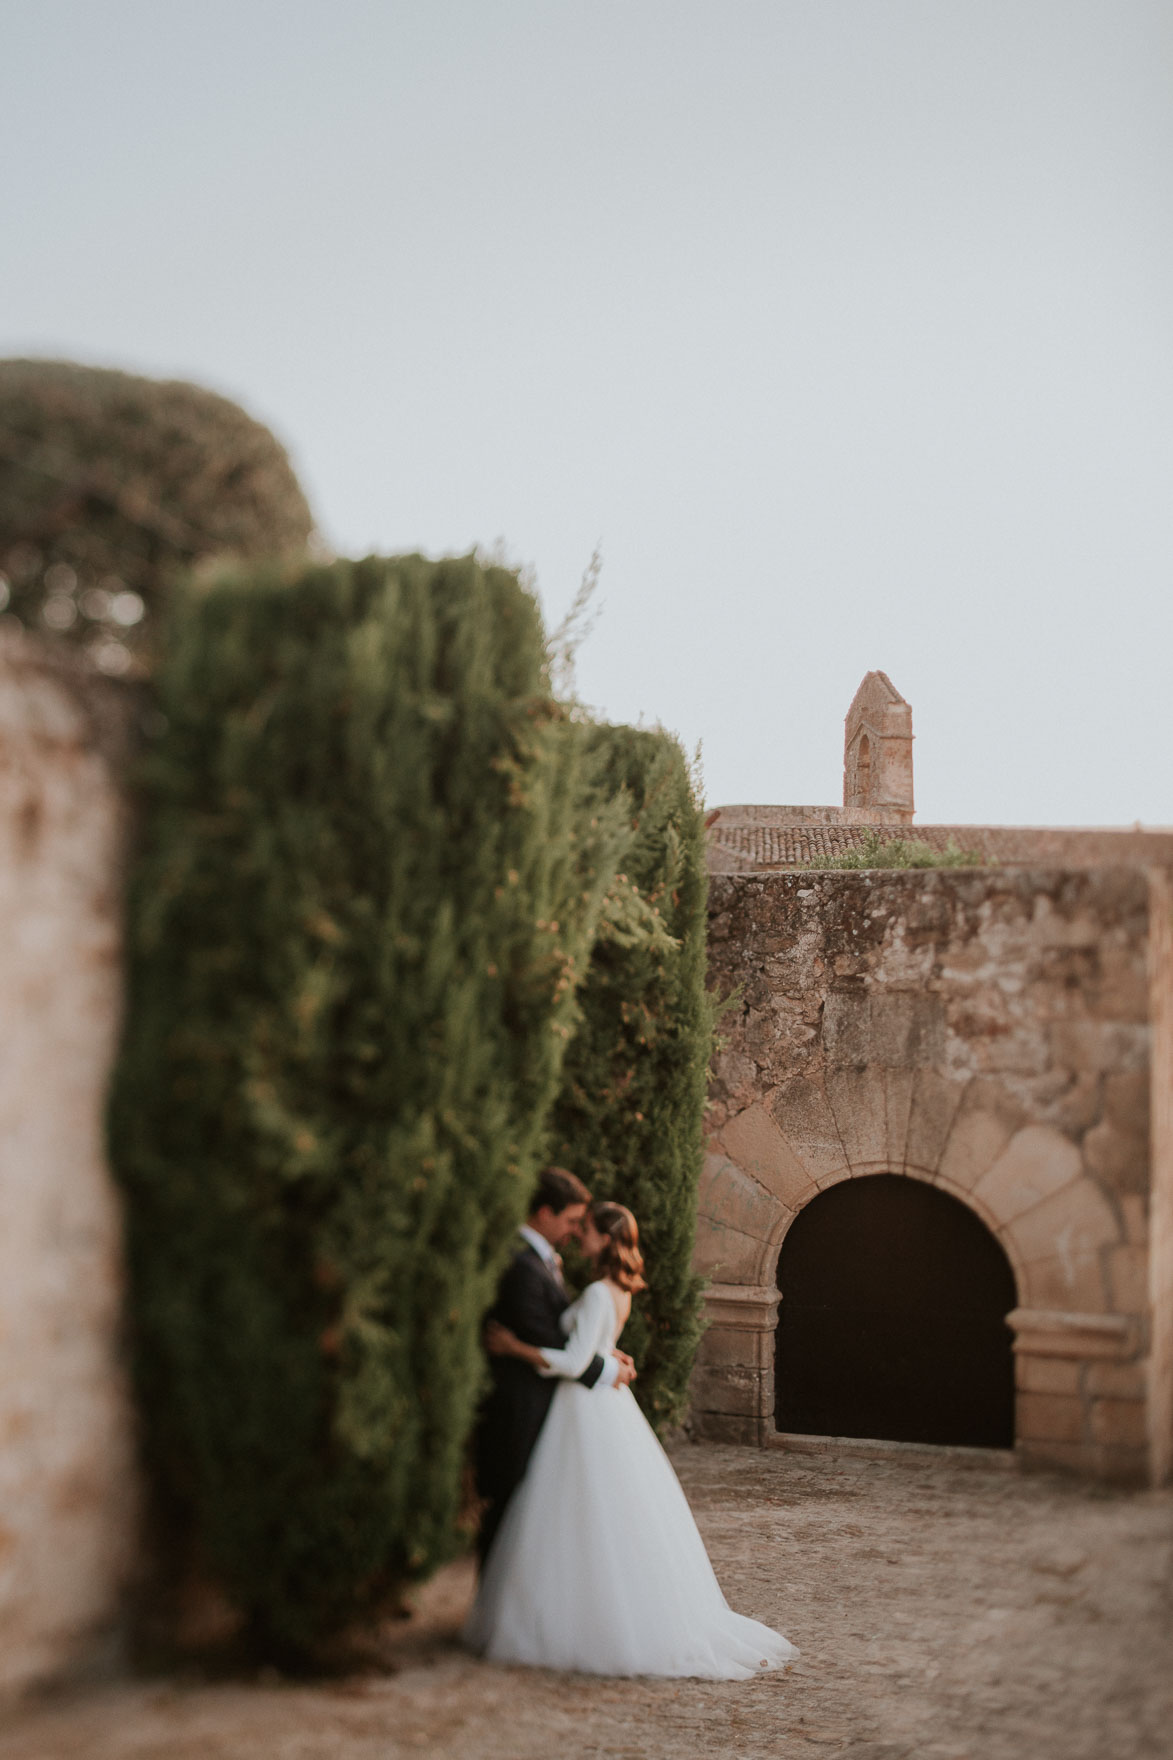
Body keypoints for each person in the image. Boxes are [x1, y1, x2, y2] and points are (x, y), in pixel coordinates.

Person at [464, 1200, 798, 1679]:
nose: (579, 1234)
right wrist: (611, 1357)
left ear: (605, 1237)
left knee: (575, 1510)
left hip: (582, 1407)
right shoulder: (616, 1289)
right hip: (603, 1407)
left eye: (587, 1229)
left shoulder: (600, 1291)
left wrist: (515, 1346)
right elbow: (595, 1348)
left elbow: (578, 1361)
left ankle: (571, 1620)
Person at [471, 1167, 637, 1566]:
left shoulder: (547, 1263)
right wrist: (605, 1368)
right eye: (572, 1221)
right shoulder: (521, 1265)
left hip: (555, 1405)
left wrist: (602, 1357)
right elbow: (554, 1342)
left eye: (584, 1225)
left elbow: (569, 1347)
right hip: (521, 1407)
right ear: (544, 1213)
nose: (577, 1231)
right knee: (514, 1508)